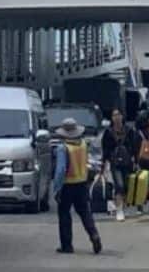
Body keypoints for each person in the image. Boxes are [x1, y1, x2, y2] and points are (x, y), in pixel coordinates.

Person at [52, 118, 102, 255]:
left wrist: (56, 188)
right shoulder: (83, 145)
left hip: (67, 185)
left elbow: (61, 170)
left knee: (64, 214)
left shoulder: (63, 148)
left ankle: (67, 245)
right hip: (82, 183)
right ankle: (94, 235)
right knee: (85, 212)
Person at [101, 108, 141, 221]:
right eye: (114, 115)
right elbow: (105, 149)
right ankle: (119, 210)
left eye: (118, 115)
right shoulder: (108, 132)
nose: (117, 117)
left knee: (126, 186)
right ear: (111, 118)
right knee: (119, 185)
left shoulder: (129, 130)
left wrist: (136, 161)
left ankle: (122, 206)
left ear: (122, 117)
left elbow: (135, 147)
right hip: (115, 163)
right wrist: (104, 163)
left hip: (127, 162)